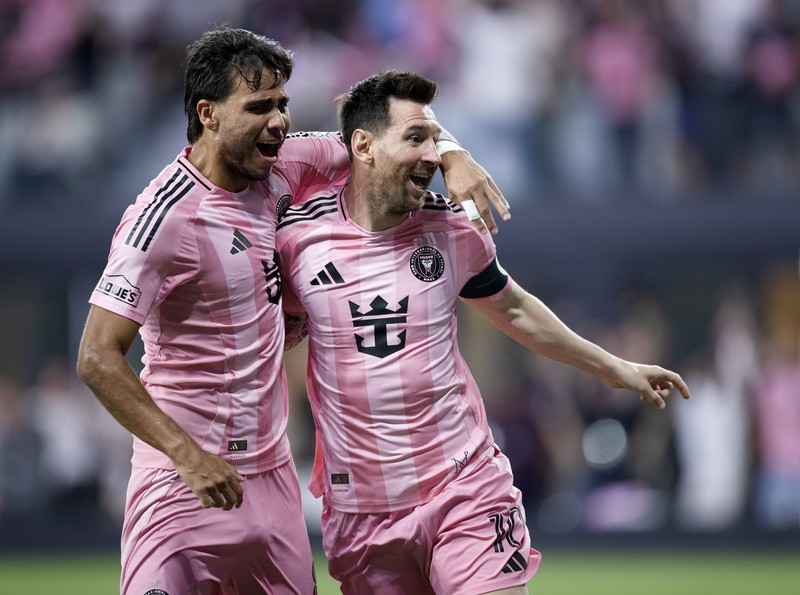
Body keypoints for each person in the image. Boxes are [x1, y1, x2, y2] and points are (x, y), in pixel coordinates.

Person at [76, 27, 508, 594]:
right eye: (259, 107)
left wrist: (454, 153)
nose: (279, 120)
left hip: (273, 478)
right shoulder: (161, 219)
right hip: (183, 483)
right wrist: (185, 455)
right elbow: (96, 358)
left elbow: (380, 133)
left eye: (282, 103)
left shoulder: (280, 163)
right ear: (208, 113)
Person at [276, 69, 690, 595]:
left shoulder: (449, 227)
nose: (431, 155)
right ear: (362, 146)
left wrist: (614, 366)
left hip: (463, 487)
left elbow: (514, 309)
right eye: (415, 138)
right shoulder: (297, 239)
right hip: (362, 512)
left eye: (435, 140)